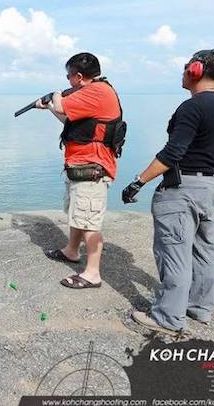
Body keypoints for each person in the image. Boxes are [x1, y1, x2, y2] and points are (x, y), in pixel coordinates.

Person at [122, 49, 214, 336]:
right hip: (210, 185)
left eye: (186, 67)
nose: (183, 71)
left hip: (182, 189)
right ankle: (199, 307)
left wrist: (139, 181)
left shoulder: (192, 107)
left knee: (174, 252)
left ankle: (168, 318)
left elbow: (173, 152)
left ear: (196, 70)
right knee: (204, 250)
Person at [36, 52, 125, 289]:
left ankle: (92, 274)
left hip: (92, 168)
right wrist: (49, 108)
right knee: (78, 213)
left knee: (89, 222)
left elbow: (62, 102)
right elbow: (69, 121)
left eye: (68, 77)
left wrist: (54, 97)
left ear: (77, 76)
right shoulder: (92, 93)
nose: (67, 82)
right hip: (80, 165)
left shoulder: (97, 91)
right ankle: (71, 251)